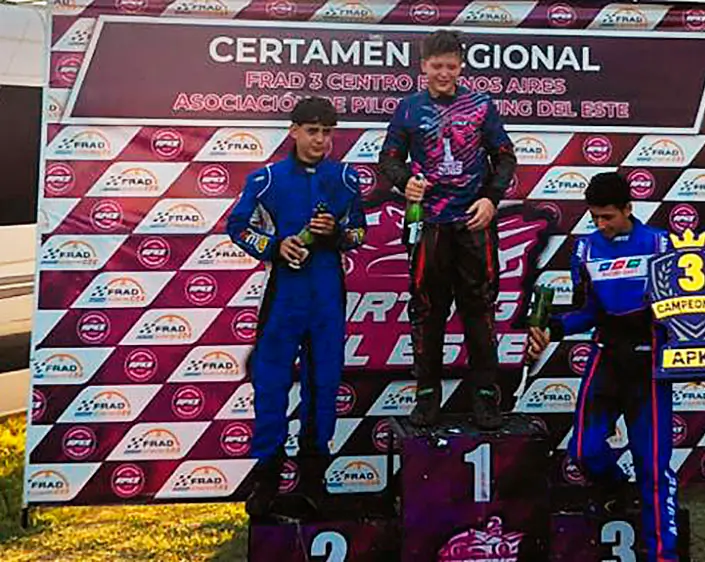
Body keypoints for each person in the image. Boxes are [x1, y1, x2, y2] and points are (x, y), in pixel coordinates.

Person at [527, 172, 679, 561]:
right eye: (595, 217)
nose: (601, 224)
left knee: (654, 470)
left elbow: (682, 310)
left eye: (608, 216)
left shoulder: (661, 244)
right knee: (584, 451)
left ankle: (664, 556)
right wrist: (551, 328)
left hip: (649, 365)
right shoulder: (585, 249)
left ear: (628, 209)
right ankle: (616, 490)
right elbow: (586, 312)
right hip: (606, 359)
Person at [227, 96, 366, 517]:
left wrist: (336, 234)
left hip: (326, 295)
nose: (320, 139)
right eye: (312, 131)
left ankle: (313, 479)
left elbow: (359, 232)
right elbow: (237, 227)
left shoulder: (345, 179)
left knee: (324, 384)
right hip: (284, 295)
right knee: (270, 383)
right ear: (294, 131)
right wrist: (275, 246)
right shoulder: (266, 179)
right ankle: (267, 478)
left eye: (327, 132)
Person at [378, 29, 517, 430]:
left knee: (480, 309)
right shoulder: (408, 109)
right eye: (437, 66)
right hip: (429, 225)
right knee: (427, 310)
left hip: (473, 223)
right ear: (423, 66)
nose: (444, 73)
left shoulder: (481, 105)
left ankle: (486, 398)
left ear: (461, 67)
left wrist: (491, 199)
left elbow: (505, 157)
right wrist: (405, 182)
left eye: (451, 66)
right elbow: (388, 158)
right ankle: (426, 397)